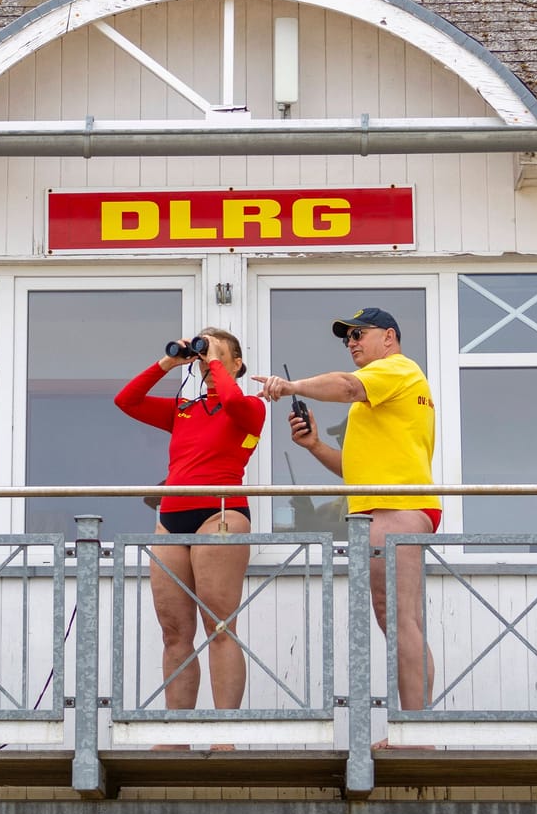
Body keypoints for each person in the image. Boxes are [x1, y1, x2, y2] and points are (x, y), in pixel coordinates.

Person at [251, 307, 437, 714]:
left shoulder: (396, 369)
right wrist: (315, 446)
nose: (351, 342)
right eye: (346, 338)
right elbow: (354, 471)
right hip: (386, 506)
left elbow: (347, 386)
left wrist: (289, 386)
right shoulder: (388, 386)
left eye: (358, 334)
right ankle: (413, 725)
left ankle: (416, 729)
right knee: (395, 617)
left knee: (400, 618)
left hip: (396, 508)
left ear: (389, 337)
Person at [114, 327, 266, 725]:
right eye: (203, 356)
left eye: (217, 355)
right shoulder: (184, 410)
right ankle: (177, 730)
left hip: (220, 513)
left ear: (237, 364)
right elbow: (126, 400)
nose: (207, 363)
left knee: (219, 626)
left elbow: (232, 403)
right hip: (171, 518)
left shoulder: (250, 405)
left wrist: (216, 360)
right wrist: (170, 361)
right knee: (174, 633)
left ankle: (224, 730)